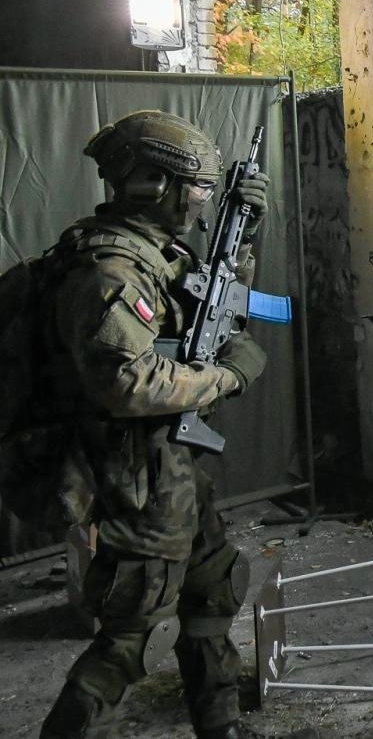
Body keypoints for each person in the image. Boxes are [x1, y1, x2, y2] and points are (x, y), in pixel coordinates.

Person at [35, 111, 272, 739]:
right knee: (138, 627)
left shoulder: (154, 251)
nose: (202, 200)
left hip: (172, 460)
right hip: (134, 470)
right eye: (194, 187)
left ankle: (219, 723)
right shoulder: (109, 267)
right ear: (149, 184)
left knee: (212, 589)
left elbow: (205, 307)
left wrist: (243, 238)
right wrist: (228, 378)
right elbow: (127, 382)